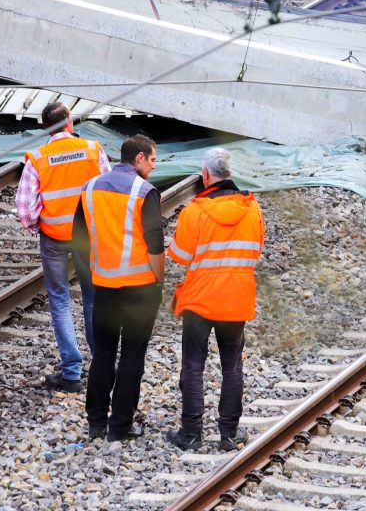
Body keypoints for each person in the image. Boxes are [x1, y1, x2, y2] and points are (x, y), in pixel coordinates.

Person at [164, 147, 263, 453]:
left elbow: (179, 256)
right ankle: (229, 434)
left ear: (206, 175)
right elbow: (256, 252)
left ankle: (192, 433)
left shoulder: (194, 211)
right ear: (229, 173)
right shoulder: (253, 209)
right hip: (236, 299)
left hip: (200, 298)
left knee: (194, 365)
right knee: (232, 365)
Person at [71, 134, 167, 443]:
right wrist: (159, 279)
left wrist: (97, 268)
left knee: (103, 353)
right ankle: (120, 426)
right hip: (140, 287)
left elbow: (79, 238)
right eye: (152, 159)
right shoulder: (144, 191)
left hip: (104, 286)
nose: (154, 165)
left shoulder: (90, 188)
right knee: (131, 357)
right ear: (138, 158)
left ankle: (96, 422)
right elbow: (155, 242)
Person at [17, 101, 109, 392]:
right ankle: (102, 365)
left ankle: (71, 373)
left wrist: (40, 227)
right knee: (93, 299)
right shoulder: (93, 149)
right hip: (87, 236)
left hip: (54, 238)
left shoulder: (37, 158)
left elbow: (25, 210)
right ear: (70, 123)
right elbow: (108, 191)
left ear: (46, 128)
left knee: (59, 300)